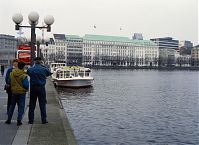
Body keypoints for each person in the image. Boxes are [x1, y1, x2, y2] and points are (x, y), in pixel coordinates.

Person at [27, 57, 52, 124]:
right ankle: (43, 119)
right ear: (41, 61)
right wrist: (43, 66)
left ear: (34, 61)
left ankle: (31, 120)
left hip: (33, 88)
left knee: (32, 104)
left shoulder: (30, 69)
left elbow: (28, 73)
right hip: (41, 88)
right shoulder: (44, 69)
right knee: (42, 104)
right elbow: (49, 73)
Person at [5, 61, 29, 126]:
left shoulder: (12, 73)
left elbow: (9, 81)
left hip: (14, 92)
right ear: (23, 67)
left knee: (12, 106)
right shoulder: (24, 75)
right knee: (21, 107)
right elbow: (26, 85)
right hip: (21, 93)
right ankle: (19, 120)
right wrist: (26, 89)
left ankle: (8, 120)